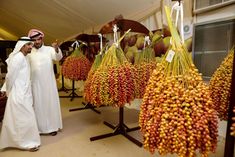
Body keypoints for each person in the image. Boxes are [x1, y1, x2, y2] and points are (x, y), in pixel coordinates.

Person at [0, 37, 41, 151]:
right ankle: (26, 143)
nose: (31, 47)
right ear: (22, 46)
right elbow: (10, 76)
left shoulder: (24, 57)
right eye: (28, 45)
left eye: (31, 45)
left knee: (22, 117)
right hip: (18, 93)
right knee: (24, 117)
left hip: (24, 91)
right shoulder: (18, 58)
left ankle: (24, 141)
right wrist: (7, 91)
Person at [27, 29, 63, 136]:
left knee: (49, 104)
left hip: (48, 83)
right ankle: (38, 128)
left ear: (42, 39)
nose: (37, 42)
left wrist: (56, 49)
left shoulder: (49, 49)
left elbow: (58, 57)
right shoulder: (29, 52)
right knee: (37, 105)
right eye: (34, 40)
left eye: (38, 39)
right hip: (35, 83)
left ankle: (52, 127)